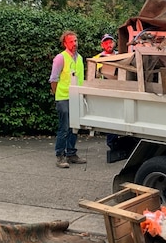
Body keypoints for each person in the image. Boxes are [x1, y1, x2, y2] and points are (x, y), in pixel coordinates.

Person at [49, 31, 86, 168]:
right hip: (63, 97)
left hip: (76, 97)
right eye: (71, 41)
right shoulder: (60, 58)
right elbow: (53, 79)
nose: (75, 44)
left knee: (74, 127)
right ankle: (60, 156)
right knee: (64, 128)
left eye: (76, 41)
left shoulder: (80, 58)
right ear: (65, 43)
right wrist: (56, 95)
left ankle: (71, 154)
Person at [93, 34, 121, 159]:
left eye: (110, 42)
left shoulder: (121, 55)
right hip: (107, 93)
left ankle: (120, 143)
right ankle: (112, 144)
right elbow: (95, 77)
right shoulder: (97, 59)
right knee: (111, 120)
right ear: (102, 45)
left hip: (120, 91)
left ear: (114, 43)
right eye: (105, 43)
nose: (108, 45)